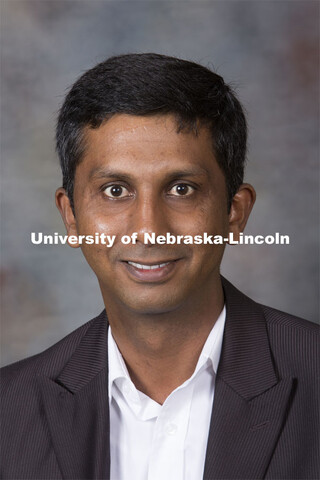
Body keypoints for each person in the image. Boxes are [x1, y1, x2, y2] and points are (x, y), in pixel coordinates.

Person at [1, 53, 318, 480]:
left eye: (181, 189)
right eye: (115, 190)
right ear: (71, 216)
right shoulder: (9, 409)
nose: (149, 229)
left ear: (235, 213)